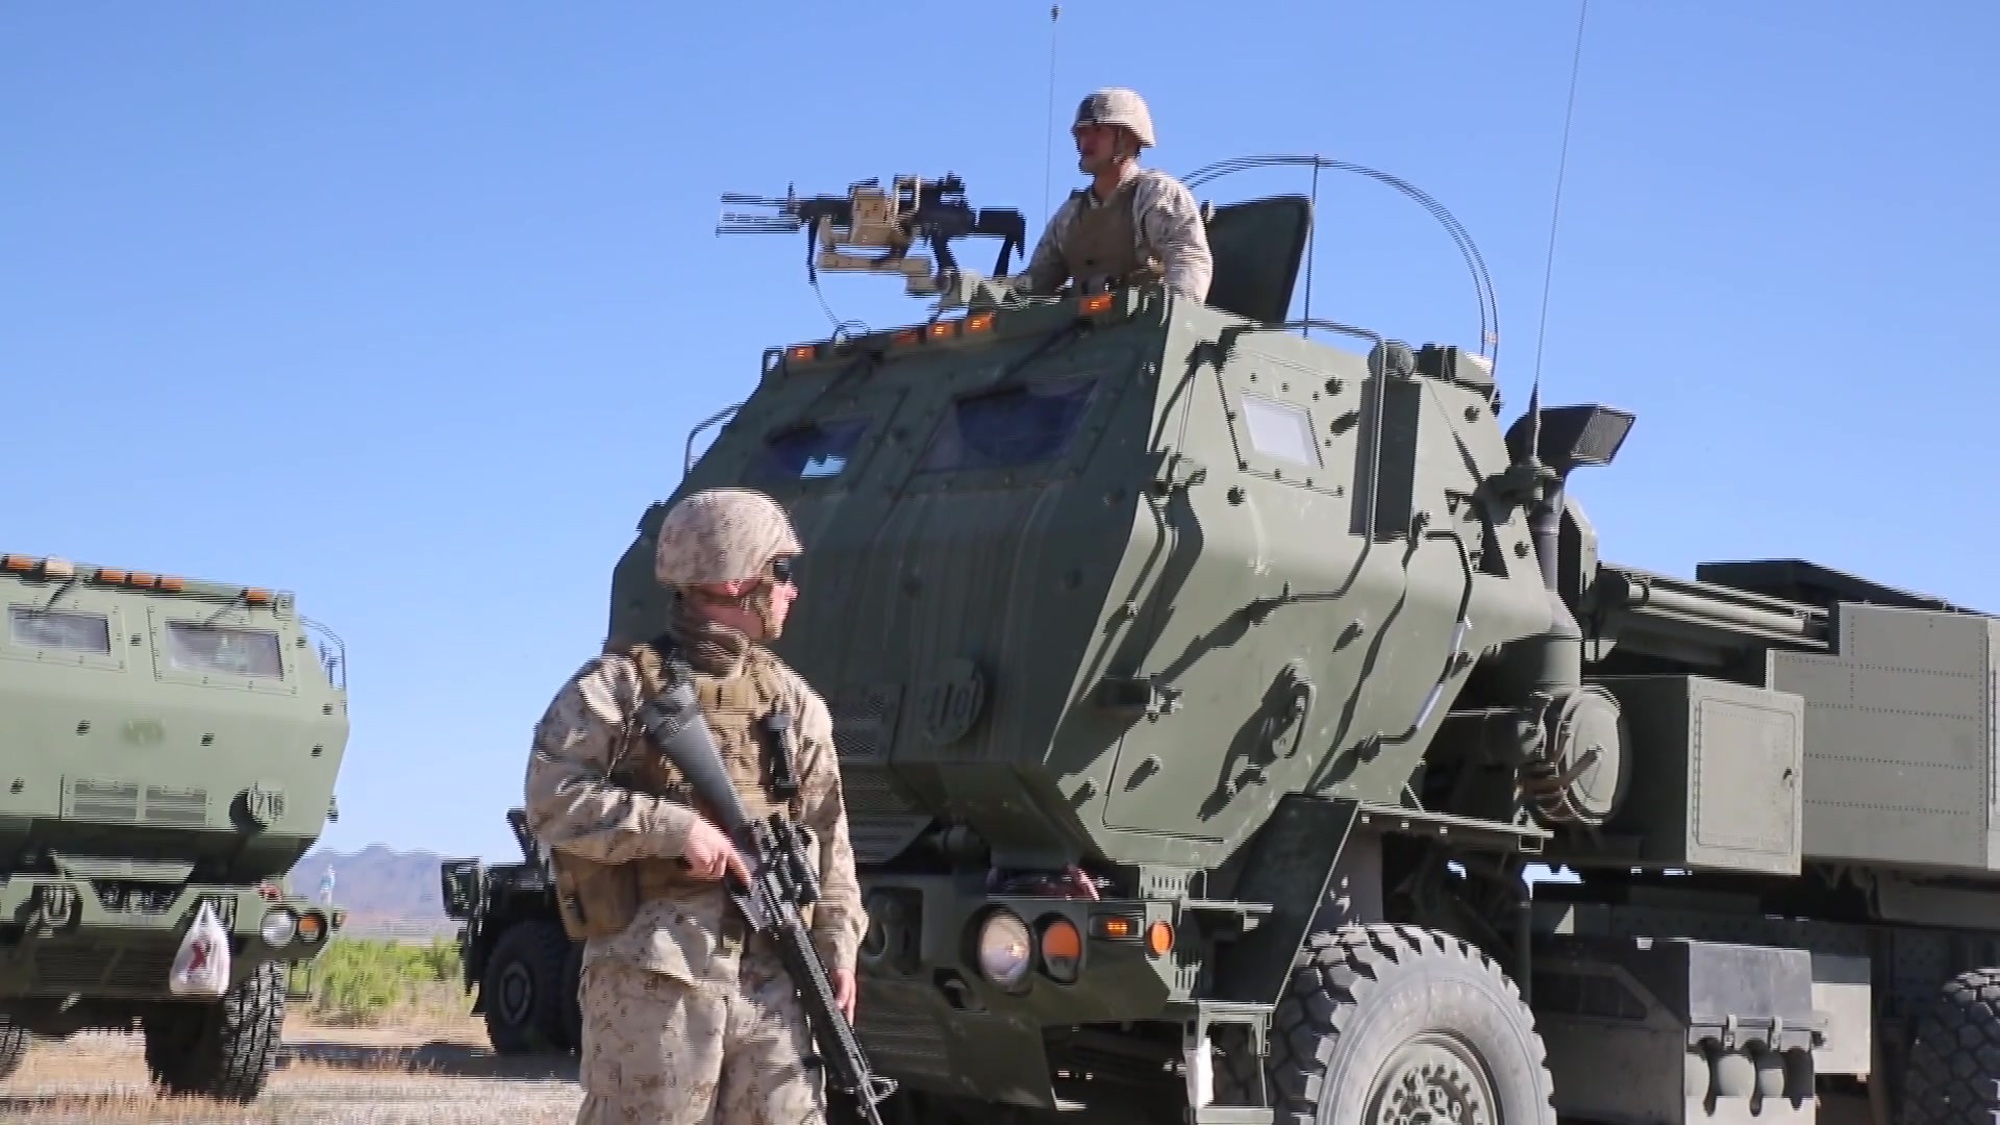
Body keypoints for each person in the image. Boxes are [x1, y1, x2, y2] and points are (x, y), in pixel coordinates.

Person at [522, 486, 864, 1125]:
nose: (791, 589)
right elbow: (552, 798)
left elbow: (829, 836)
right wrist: (676, 830)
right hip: (654, 977)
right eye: (780, 573)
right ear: (738, 581)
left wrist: (838, 945)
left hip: (775, 977)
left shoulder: (792, 703)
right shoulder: (617, 687)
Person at [1013, 86, 1213, 303]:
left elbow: (1189, 262)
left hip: (1139, 328)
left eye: (1098, 130)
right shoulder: (1071, 214)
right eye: (1082, 132)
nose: (1086, 141)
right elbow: (1036, 282)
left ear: (1127, 138)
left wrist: (1170, 320)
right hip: (1076, 332)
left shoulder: (1155, 194)